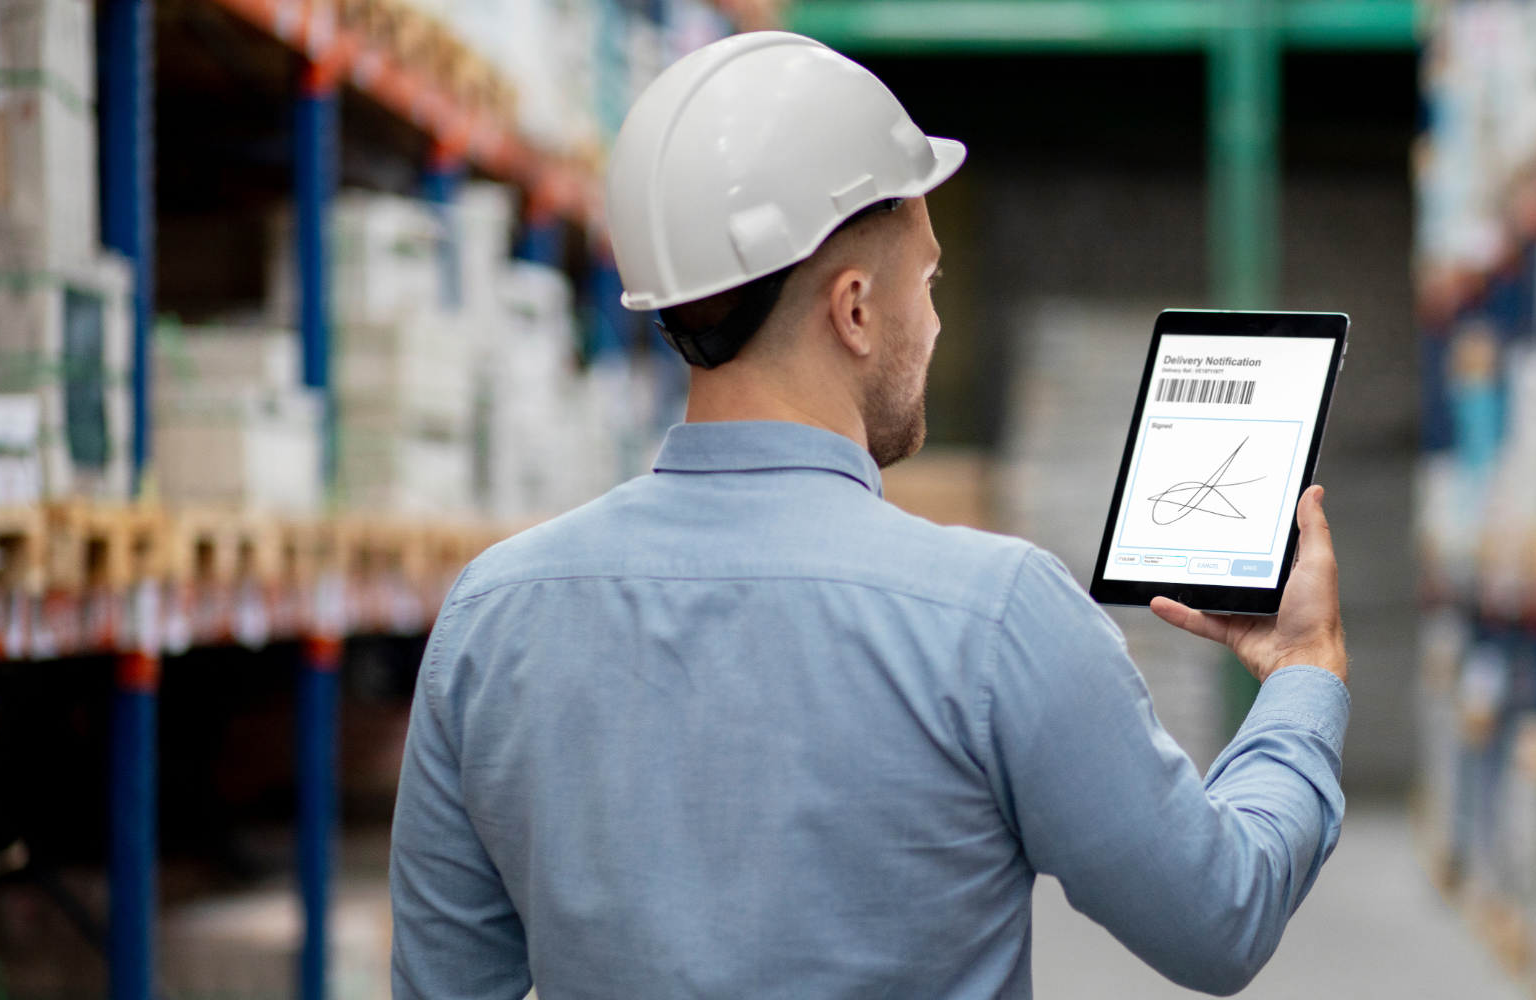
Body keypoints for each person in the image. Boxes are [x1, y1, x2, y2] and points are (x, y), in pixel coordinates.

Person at [390, 30, 1350, 1000]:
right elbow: (1219, 915)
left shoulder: (493, 615)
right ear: (852, 310)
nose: (931, 323)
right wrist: (1302, 678)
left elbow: (441, 985)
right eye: (925, 283)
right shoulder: (994, 617)